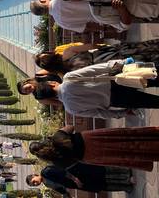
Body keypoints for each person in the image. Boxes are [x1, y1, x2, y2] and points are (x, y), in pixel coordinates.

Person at [34, 59, 159, 119]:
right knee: (153, 79)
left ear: (50, 98)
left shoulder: (71, 109)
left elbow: (100, 113)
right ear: (51, 84)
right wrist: (121, 62)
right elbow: (96, 69)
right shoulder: (68, 78)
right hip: (118, 81)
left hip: (116, 100)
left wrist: (122, 113)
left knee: (153, 102)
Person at [30, 125, 159, 171]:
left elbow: (71, 164)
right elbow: (70, 126)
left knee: (122, 154)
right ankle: (152, 136)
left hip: (90, 156)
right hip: (90, 138)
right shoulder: (56, 138)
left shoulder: (56, 163)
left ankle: (153, 153)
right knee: (123, 137)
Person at [35, 39, 159, 74]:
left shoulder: (67, 74)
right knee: (145, 48)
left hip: (112, 69)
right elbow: (92, 45)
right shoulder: (68, 52)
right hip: (107, 54)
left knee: (147, 64)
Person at [27, 163, 134, 195]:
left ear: (34, 175)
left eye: (34, 182)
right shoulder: (47, 184)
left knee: (102, 174)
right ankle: (125, 186)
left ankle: (126, 175)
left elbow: (62, 172)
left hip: (78, 175)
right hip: (78, 184)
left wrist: (74, 179)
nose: (36, 183)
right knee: (101, 186)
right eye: (34, 185)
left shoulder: (46, 171)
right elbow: (62, 190)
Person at [29, 0, 105, 33]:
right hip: (102, 0)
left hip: (104, 18)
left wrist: (106, 28)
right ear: (42, 0)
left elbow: (87, 27)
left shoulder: (60, 22)